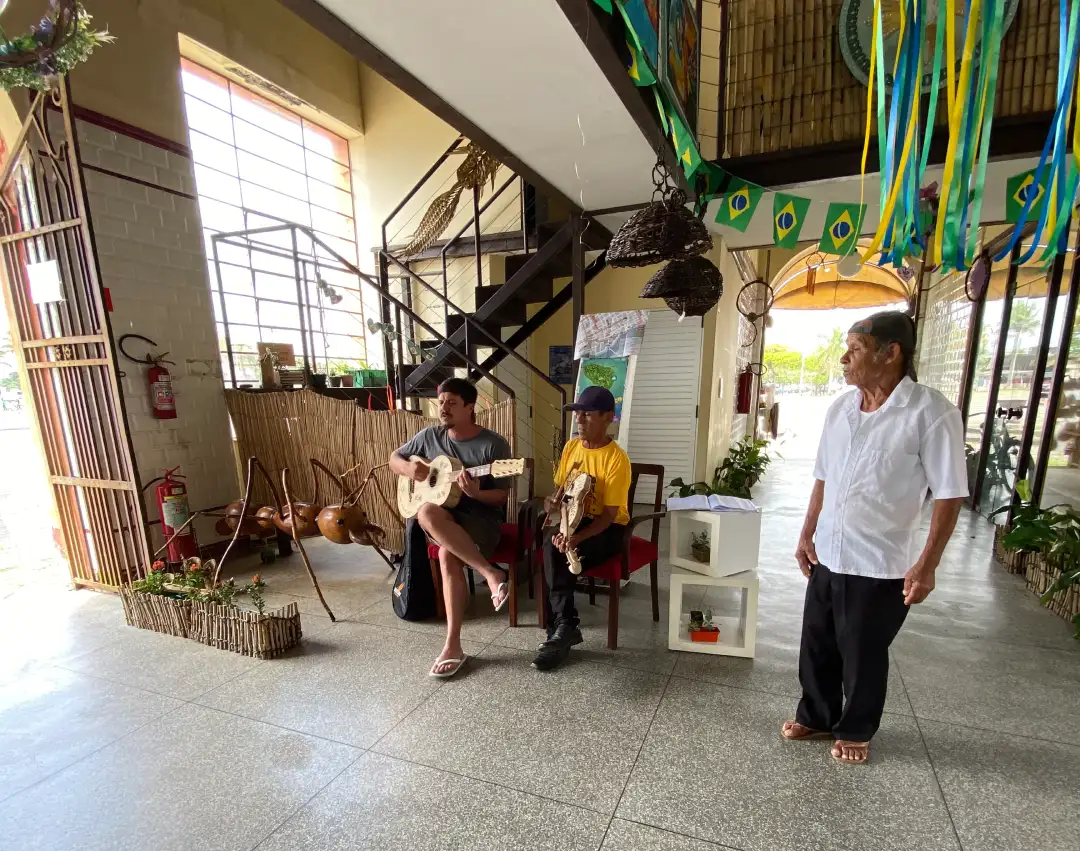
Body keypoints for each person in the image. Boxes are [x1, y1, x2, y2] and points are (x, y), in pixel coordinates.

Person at [783, 311, 967, 764]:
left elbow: (949, 494)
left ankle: (857, 727)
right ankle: (818, 714)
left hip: (881, 560)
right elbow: (823, 476)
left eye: (856, 349)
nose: (844, 359)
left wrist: (929, 563)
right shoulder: (841, 409)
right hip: (829, 550)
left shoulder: (930, 412)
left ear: (891, 353)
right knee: (818, 641)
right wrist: (807, 532)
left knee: (863, 651)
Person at [389, 378, 512, 678]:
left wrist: (476, 493)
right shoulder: (429, 436)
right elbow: (394, 458)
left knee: (445, 552)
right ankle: (490, 573)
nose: (443, 407)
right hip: (445, 520)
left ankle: (453, 645)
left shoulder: (493, 444)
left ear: (470, 407)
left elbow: (501, 496)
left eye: (452, 402)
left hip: (481, 520)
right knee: (428, 511)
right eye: (441, 401)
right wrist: (409, 468)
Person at [532, 386, 632, 671]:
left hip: (609, 528)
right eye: (578, 415)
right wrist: (553, 500)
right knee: (553, 545)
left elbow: (610, 516)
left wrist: (576, 539)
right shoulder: (571, 448)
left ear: (608, 417)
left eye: (587, 415)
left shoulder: (616, 459)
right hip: (573, 517)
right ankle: (565, 626)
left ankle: (561, 628)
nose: (579, 420)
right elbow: (563, 491)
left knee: (559, 550)